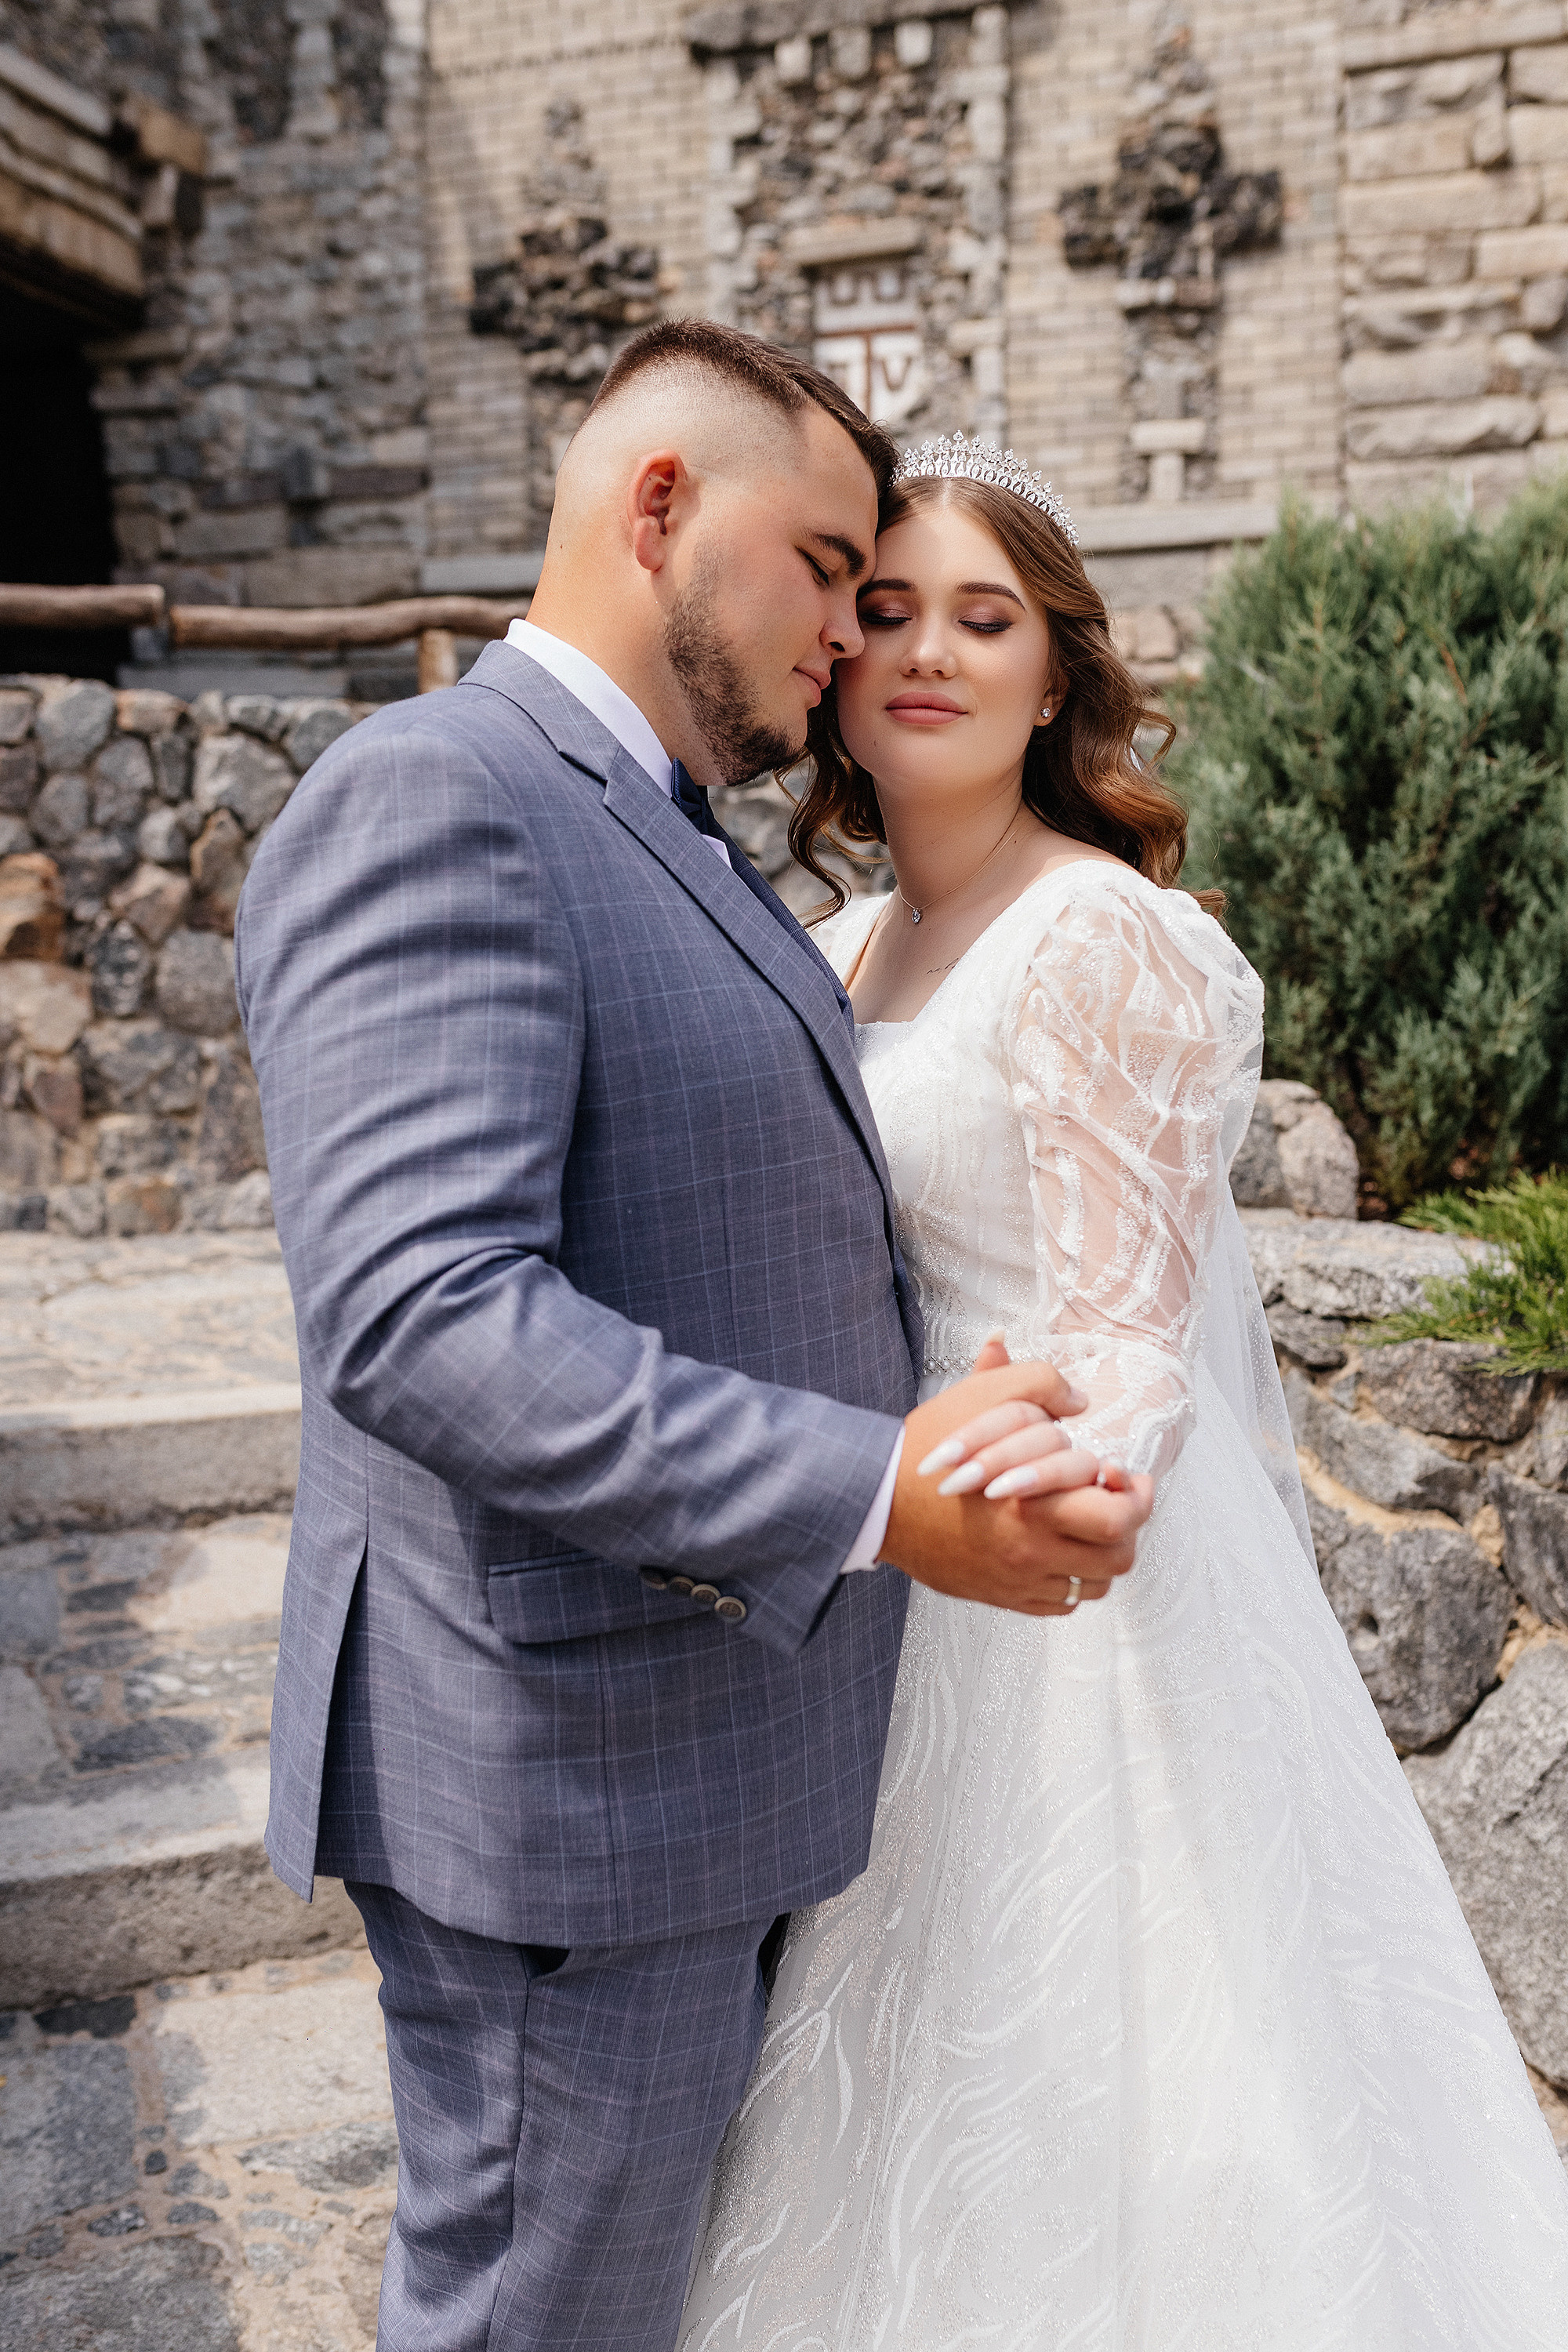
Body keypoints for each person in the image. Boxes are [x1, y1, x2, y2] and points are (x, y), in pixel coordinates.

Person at [234, 331, 1152, 2352]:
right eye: (828, 564)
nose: (849, 627)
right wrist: (877, 1490)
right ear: (658, 509)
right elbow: (424, 1314)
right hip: (567, 1787)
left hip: (692, 1751)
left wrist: (936, 1409)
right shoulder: (438, 795)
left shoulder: (672, 826)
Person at [678, 436, 1568, 2349]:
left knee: (1121, 2093)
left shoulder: (1098, 934)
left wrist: (1078, 1461)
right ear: (831, 657)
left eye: (982, 618)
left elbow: (1138, 1328)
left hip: (1052, 1577)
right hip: (882, 1557)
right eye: (888, 610)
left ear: (1056, 671)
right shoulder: (836, 946)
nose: (926, 650)